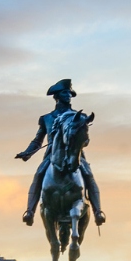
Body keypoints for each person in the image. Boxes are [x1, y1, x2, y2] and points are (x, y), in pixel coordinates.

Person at [15, 78, 105, 227]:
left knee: (89, 175)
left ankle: (98, 212)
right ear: (56, 96)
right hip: (52, 156)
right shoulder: (47, 118)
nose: (69, 95)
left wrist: (82, 141)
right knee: (38, 175)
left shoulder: (80, 117)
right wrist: (27, 153)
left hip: (75, 156)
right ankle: (30, 211)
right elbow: (38, 140)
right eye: (65, 93)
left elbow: (85, 140)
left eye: (70, 93)